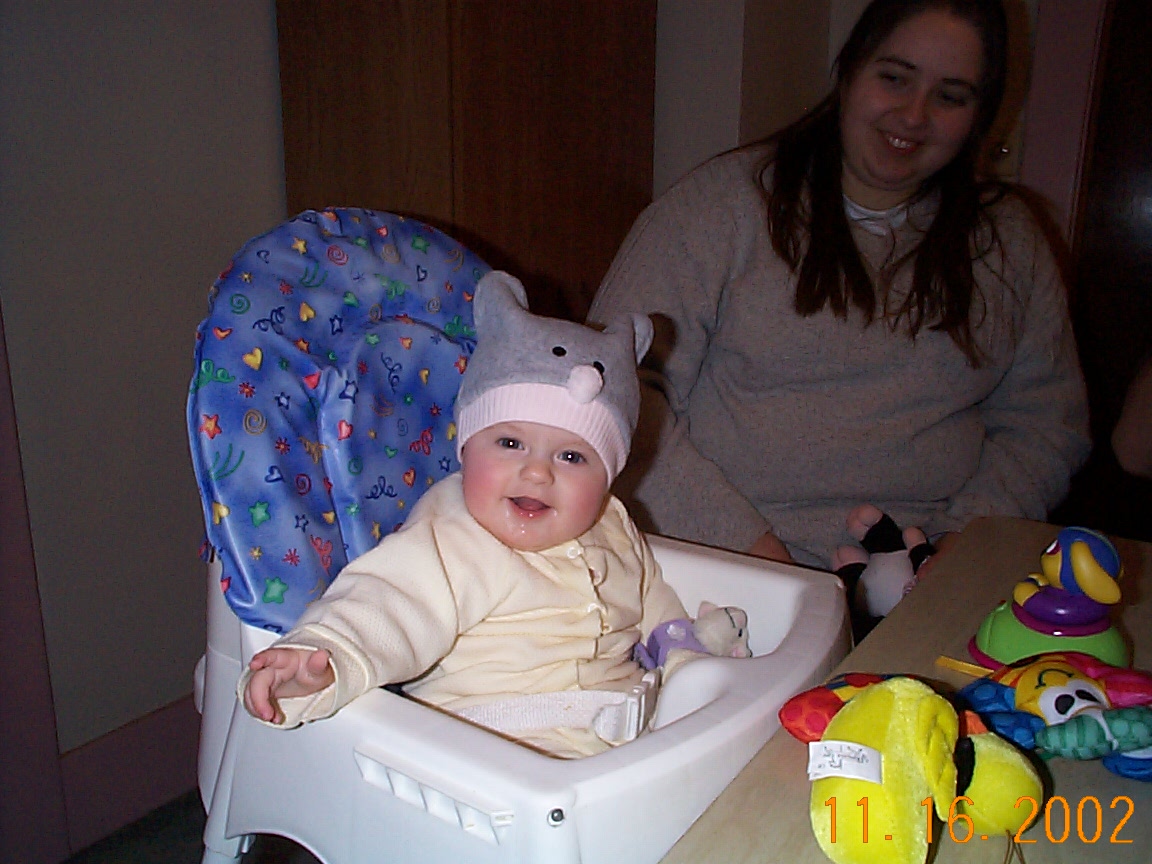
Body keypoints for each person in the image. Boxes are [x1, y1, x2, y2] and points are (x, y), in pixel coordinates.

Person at [588, 0, 1090, 571]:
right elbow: (614, 394)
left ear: (980, 116)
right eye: (894, 78)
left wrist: (960, 544)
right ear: (849, 72)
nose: (914, 115)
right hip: (730, 564)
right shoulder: (716, 209)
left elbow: (1046, 427)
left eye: (950, 96)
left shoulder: (1010, 241)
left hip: (932, 568)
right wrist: (754, 555)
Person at [240, 270, 702, 759]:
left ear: (608, 476)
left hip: (629, 737)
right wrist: (323, 658)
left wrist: (689, 662)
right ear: (466, 448)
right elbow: (387, 605)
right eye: (510, 443)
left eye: (572, 457)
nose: (537, 472)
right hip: (504, 750)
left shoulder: (612, 522)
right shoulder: (453, 536)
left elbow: (651, 596)